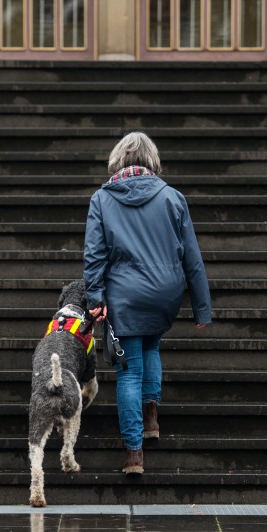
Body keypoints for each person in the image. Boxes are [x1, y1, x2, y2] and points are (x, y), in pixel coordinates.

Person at [83, 131, 212, 475]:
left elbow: (94, 256)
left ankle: (134, 454)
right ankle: (151, 416)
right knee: (152, 346)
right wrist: (201, 306)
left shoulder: (102, 199)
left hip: (125, 293)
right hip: (164, 293)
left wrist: (95, 298)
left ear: (118, 160)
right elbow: (192, 258)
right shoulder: (172, 197)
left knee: (129, 371)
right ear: (151, 160)